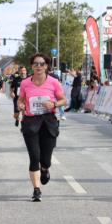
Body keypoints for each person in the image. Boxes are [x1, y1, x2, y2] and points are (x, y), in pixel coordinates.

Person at [17, 53, 67, 203]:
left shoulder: (54, 82)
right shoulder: (25, 83)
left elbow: (64, 100)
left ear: (46, 66)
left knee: (45, 159)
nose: (39, 66)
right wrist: (20, 105)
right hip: (30, 122)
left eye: (42, 64)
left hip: (48, 122)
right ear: (31, 66)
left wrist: (54, 104)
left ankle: (45, 169)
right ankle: (36, 190)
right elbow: (20, 100)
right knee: (34, 157)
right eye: (35, 64)